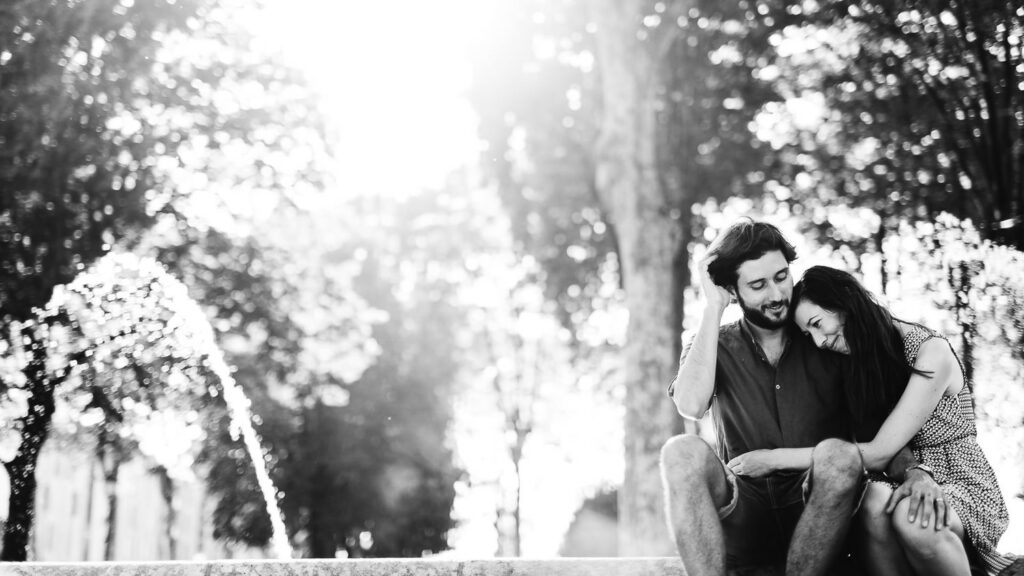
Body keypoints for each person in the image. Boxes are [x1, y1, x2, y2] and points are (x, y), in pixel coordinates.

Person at [731, 265, 1015, 576]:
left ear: (845, 302)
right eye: (807, 334)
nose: (818, 341)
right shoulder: (856, 363)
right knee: (873, 502)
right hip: (895, 474)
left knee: (914, 517)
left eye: (816, 324)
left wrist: (773, 459)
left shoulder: (929, 350)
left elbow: (879, 450)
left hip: (959, 477)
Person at [661, 220, 887, 576]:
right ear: (733, 290)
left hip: (821, 517)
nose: (777, 294)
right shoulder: (711, 343)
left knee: (840, 456)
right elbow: (690, 405)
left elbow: (882, 433)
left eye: (781, 277)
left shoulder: (825, 334)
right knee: (679, 452)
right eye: (758, 285)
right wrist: (713, 307)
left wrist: (919, 473)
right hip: (743, 515)